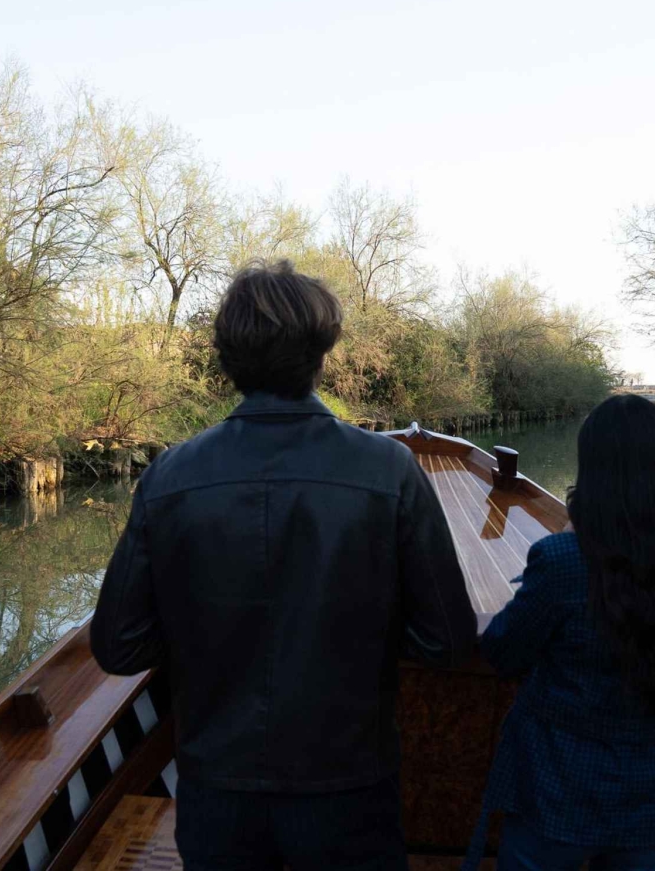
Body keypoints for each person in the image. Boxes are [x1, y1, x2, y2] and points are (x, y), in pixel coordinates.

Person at [91, 259, 475, 871]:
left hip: (217, 796)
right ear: (321, 355)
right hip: (349, 791)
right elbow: (447, 642)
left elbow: (119, 647)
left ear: (227, 361)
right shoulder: (389, 471)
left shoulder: (169, 477)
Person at [462, 394, 655, 871]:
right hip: (647, 799)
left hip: (555, 795)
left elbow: (503, 652)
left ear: (594, 474)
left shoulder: (562, 561)